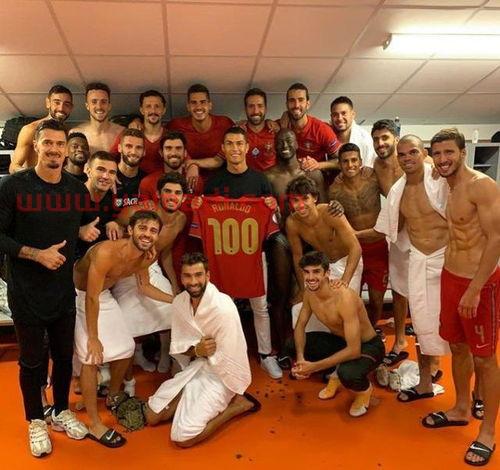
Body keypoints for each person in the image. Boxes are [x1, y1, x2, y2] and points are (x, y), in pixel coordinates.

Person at [0, 119, 100, 457]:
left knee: (64, 357)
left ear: (67, 149)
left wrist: (84, 232)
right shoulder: (13, 187)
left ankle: (60, 410)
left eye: (60, 144)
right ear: (37, 146)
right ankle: (35, 419)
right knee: (31, 361)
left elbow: (83, 226)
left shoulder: (76, 190)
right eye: (48, 143)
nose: (55, 150)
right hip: (26, 291)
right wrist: (36, 254)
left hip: (62, 291)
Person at [423, 128, 500, 467]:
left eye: (449, 152)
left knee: (485, 358)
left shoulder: (482, 186)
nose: (442, 159)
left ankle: (488, 432)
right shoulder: (446, 184)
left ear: (463, 152)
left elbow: (496, 239)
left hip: (479, 283)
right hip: (451, 276)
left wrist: (474, 288)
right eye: (437, 153)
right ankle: (460, 408)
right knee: (456, 346)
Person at [73, 210, 173, 448]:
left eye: (153, 231)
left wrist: (176, 301)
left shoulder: (146, 256)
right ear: (130, 230)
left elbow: (145, 287)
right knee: (91, 356)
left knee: (127, 348)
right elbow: (91, 297)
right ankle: (94, 422)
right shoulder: (106, 252)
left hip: (103, 294)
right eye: (142, 228)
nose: (147, 234)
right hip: (78, 294)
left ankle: (112, 395)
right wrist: (94, 337)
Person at [191, 126, 283, 379]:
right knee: (223, 307)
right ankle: (225, 353)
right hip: (222, 256)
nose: (234, 148)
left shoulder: (260, 180)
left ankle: (265, 355)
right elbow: (203, 216)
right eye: (229, 144)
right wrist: (198, 206)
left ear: (246, 147)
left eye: (239, 143)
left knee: (260, 306)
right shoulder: (213, 182)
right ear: (223, 148)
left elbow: (272, 216)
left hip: (253, 254)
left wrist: (272, 206)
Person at [145, 252, 259, 447]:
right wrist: (198, 351)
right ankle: (189, 395)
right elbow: (181, 347)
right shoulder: (180, 302)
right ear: (181, 278)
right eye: (187, 276)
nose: (193, 282)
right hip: (197, 365)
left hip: (221, 375)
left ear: (208, 275)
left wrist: (207, 357)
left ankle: (237, 406)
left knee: (183, 438)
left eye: (198, 275)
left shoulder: (223, 307)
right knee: (151, 416)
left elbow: (234, 356)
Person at [379, 135, 449, 402]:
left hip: (447, 258)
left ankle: (466, 394)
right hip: (419, 259)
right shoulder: (398, 191)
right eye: (402, 154)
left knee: (454, 325)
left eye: (413, 152)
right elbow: (392, 228)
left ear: (424, 154)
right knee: (419, 321)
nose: (407, 158)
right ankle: (424, 383)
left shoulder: (442, 181)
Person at [290, 251, 384, 417]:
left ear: (327, 273)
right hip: (342, 342)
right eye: (306, 272)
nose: (311, 277)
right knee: (291, 345)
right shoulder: (309, 293)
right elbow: (300, 326)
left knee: (349, 374)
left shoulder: (345, 298)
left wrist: (313, 367)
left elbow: (354, 350)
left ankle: (364, 391)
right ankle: (336, 372)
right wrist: (301, 359)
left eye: (316, 271)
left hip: (368, 346)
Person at [114, 172, 187, 377]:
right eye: (167, 191)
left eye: (177, 193)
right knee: (126, 318)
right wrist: (114, 225)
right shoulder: (138, 211)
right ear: (158, 194)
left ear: (183, 198)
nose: (172, 196)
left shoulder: (181, 220)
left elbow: (166, 253)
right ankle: (136, 354)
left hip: (152, 267)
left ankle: (166, 353)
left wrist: (175, 284)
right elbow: (116, 227)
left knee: (173, 309)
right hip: (126, 270)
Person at [329, 143, 388, 332]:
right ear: (340, 164)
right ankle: (358, 334)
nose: (350, 165)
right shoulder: (335, 190)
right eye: (345, 161)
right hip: (353, 250)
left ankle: (372, 331)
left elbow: (393, 188)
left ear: (361, 161)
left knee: (377, 299)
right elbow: (334, 221)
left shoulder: (373, 178)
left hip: (377, 247)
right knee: (352, 298)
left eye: (354, 160)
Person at [371, 119, 409, 365]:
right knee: (398, 287)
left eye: (385, 138)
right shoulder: (376, 165)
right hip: (397, 233)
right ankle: (401, 339)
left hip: (420, 231)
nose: (380, 143)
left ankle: (432, 349)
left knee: (423, 289)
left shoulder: (412, 159)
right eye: (376, 139)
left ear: (396, 138)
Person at [168, 83, 233, 181]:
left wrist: (194, 163)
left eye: (203, 102)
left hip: (220, 181)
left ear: (210, 105)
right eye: (194, 103)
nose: (198, 107)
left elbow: (218, 161)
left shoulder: (225, 123)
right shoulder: (176, 125)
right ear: (188, 106)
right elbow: (159, 134)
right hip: (188, 181)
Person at [9, 85, 74, 172]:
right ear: (48, 103)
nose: (61, 108)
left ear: (71, 108)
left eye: (66, 104)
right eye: (57, 102)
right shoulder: (30, 130)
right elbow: (13, 167)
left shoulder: (70, 133)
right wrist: (33, 176)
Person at [281, 83, 340, 177]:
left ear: (307, 104)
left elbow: (341, 160)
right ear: (287, 104)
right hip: (290, 177)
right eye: (292, 100)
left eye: (301, 100)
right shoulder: (280, 126)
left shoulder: (322, 129)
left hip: (315, 179)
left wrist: (318, 165)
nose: (296, 105)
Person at [110, 90, 168, 175]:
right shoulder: (129, 134)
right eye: (148, 106)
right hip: (133, 181)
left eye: (157, 106)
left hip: (162, 181)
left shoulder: (170, 137)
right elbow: (110, 158)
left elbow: (184, 160)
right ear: (141, 110)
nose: (153, 111)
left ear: (164, 110)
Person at [71, 82, 124, 154]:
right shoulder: (75, 133)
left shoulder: (121, 133)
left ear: (109, 106)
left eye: (103, 102)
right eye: (94, 102)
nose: (99, 106)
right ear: (87, 106)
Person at [330, 96, 376, 168]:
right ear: (331, 116)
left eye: (344, 113)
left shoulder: (364, 139)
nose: (339, 118)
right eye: (335, 114)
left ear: (353, 115)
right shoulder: (327, 134)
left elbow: (367, 168)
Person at [242, 88, 277, 172]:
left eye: (260, 106)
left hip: (271, 179)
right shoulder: (238, 133)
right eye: (251, 106)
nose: (256, 111)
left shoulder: (276, 131)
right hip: (245, 179)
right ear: (245, 109)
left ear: (266, 108)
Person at [114, 128, 146, 210]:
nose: (133, 152)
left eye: (138, 147)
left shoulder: (147, 180)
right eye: (128, 146)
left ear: (144, 152)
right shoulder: (108, 176)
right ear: (119, 148)